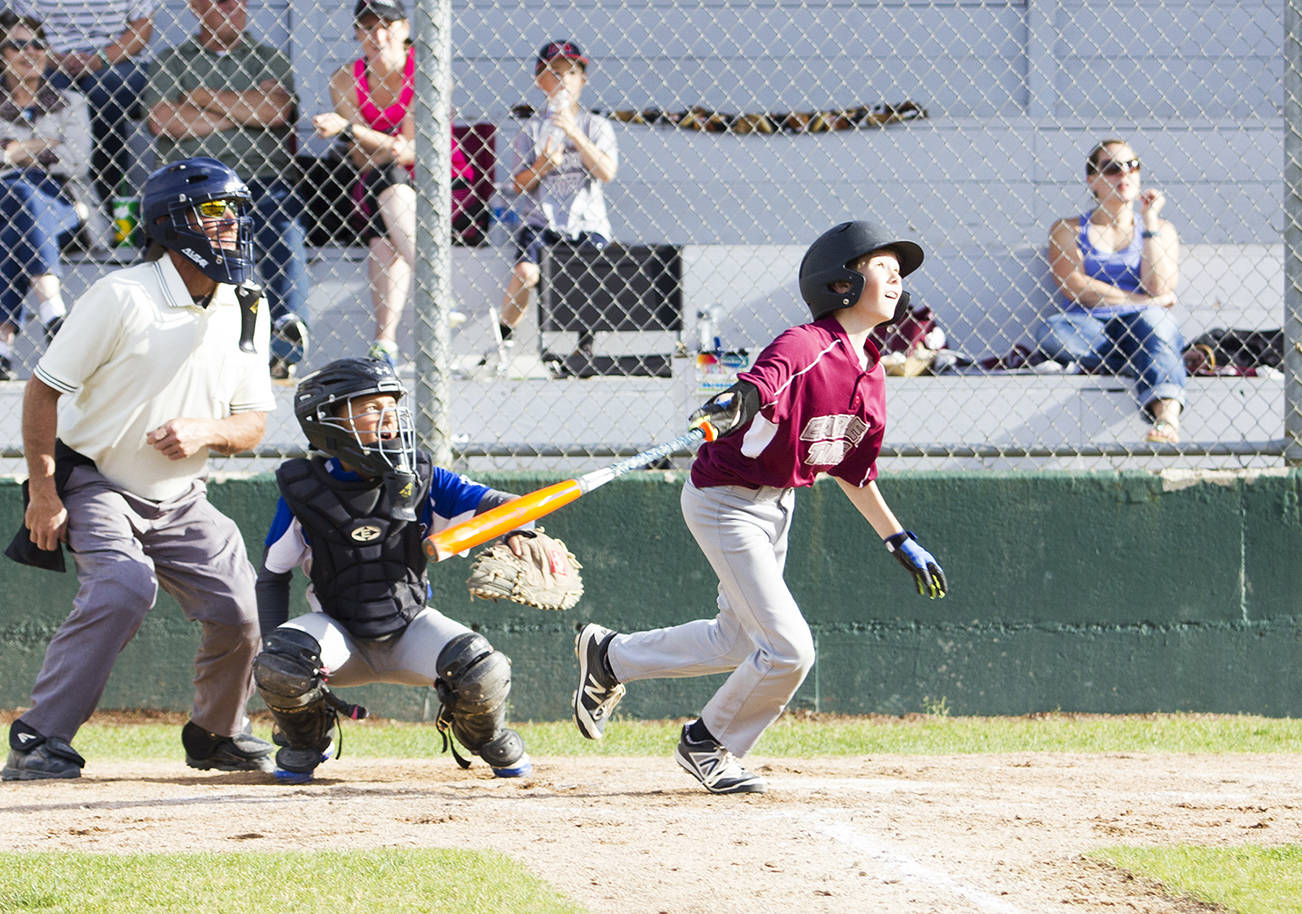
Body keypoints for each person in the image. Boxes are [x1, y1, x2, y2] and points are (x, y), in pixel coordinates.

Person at [570, 221, 948, 794]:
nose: (896, 275)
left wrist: (898, 538)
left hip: (777, 506)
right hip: (725, 503)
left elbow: (853, 470)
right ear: (842, 281)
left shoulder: (871, 373)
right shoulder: (806, 345)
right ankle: (709, 743)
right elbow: (764, 379)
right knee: (790, 649)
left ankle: (609, 657)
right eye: (881, 263)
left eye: (900, 269)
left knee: (738, 642)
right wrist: (740, 400)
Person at [2, 157, 277, 781]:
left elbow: (253, 423)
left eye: (234, 211)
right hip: (96, 479)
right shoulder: (121, 295)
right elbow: (42, 391)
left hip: (182, 495)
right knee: (125, 585)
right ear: (172, 222)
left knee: (239, 607)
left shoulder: (248, 306)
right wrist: (43, 493)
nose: (230, 224)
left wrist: (205, 430)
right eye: (213, 211)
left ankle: (217, 735)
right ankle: (40, 738)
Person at [252, 357, 535, 782]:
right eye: (370, 409)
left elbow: (500, 505)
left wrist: (521, 529)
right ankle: (307, 737)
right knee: (279, 662)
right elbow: (273, 576)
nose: (389, 419)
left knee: (483, 669)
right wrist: (269, 655)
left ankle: (484, 733)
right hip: (338, 635)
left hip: (410, 628)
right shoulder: (302, 489)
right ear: (328, 420)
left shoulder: (422, 478)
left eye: (392, 407)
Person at [144, 0, 310, 380]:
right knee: (202, 238)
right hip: (196, 186)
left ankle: (286, 338)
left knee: (285, 227)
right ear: (198, 9)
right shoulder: (172, 59)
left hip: (261, 178)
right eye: (221, 2)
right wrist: (242, 110)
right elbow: (164, 120)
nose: (234, 8)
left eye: (240, 2)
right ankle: (183, 346)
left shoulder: (268, 57)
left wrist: (201, 98)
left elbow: (274, 112)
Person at [311, 0, 471, 369]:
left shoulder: (427, 72)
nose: (377, 36)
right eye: (366, 27)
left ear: (403, 28)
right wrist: (391, 144)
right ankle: (431, 298)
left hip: (443, 184)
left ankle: (386, 340)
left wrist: (351, 128)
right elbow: (361, 159)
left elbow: (416, 152)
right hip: (381, 184)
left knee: (387, 222)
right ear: (355, 33)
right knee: (389, 189)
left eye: (386, 25)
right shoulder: (345, 79)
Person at [482, 39, 617, 375]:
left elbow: (607, 172)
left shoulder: (595, 126)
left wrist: (573, 133)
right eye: (554, 73)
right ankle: (505, 342)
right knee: (526, 273)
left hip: (585, 221)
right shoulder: (531, 129)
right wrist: (543, 164)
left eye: (571, 73)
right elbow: (517, 184)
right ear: (540, 81)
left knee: (588, 275)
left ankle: (584, 347)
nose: (563, 81)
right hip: (541, 221)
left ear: (582, 80)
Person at [1037, 138, 1185, 443]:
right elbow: (1074, 286)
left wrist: (1150, 220)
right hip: (1091, 325)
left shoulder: (1161, 229)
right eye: (1113, 168)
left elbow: (1160, 285)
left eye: (1132, 166)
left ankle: (1167, 418)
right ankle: (1146, 358)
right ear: (1093, 179)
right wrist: (1146, 300)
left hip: (1143, 323)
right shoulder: (1068, 229)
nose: (1125, 175)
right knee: (1052, 332)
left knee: (1157, 324)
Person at [0, 12, 110, 381]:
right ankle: (53, 311)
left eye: (36, 44)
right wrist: (47, 146)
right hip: (13, 204)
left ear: (47, 52)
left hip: (66, 203)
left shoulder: (70, 101)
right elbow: (61, 153)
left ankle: (3, 345)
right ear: (2, 53)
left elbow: (78, 161)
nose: (28, 52)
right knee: (19, 197)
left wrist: (14, 150)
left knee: (18, 195)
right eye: (16, 44)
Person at [10, 0, 157, 215]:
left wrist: (102, 59)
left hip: (115, 60)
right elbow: (23, 27)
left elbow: (142, 26)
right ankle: (51, 202)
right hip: (49, 60)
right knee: (50, 94)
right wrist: (54, 59)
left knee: (102, 93)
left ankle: (110, 204)